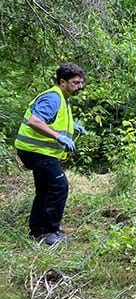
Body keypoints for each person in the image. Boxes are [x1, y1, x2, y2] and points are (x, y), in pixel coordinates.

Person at [15, 63, 87, 245]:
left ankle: (37, 231)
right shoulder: (53, 98)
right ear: (62, 82)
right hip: (37, 152)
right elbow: (35, 121)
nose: (80, 86)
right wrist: (59, 137)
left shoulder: (62, 98)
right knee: (59, 186)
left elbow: (53, 120)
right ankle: (50, 232)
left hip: (39, 152)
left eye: (81, 83)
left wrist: (73, 126)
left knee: (45, 190)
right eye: (76, 83)